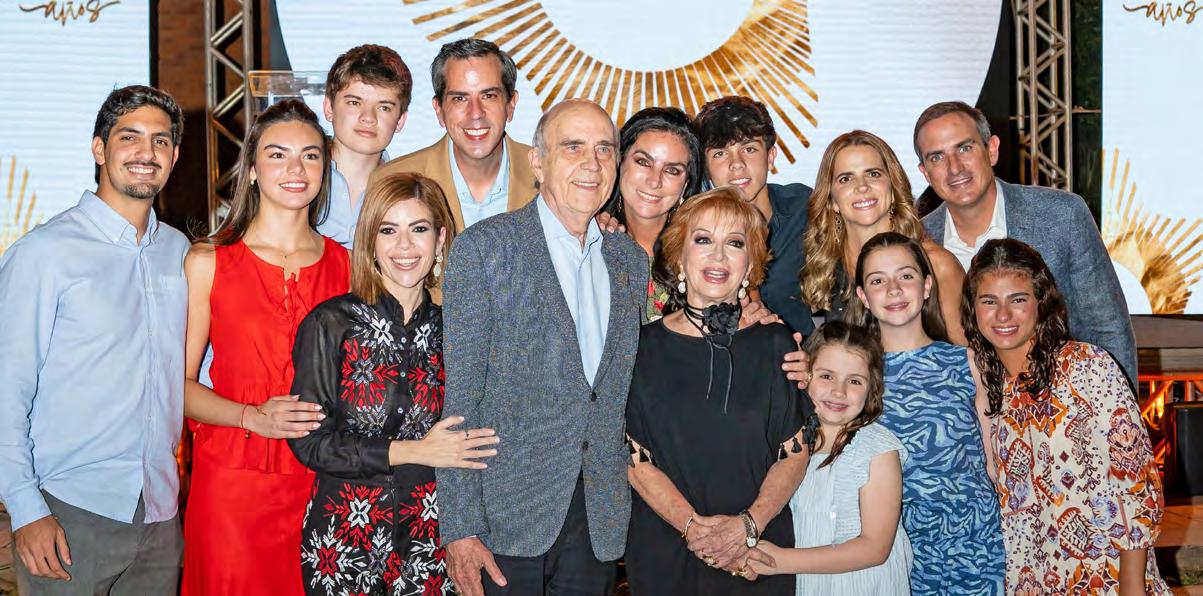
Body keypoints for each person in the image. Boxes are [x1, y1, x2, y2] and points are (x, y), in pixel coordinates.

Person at [437, 99, 648, 596]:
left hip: (596, 518)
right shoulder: (485, 249)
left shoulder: (628, 260)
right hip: (504, 519)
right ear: (538, 161)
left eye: (604, 149)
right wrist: (460, 527)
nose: (592, 163)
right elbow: (461, 400)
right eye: (573, 147)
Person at [0, 85, 188, 595]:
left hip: (160, 515)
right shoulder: (45, 253)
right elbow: (6, 390)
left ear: (174, 156)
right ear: (99, 149)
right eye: (130, 137)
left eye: (161, 141)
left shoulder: (179, 252)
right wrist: (26, 509)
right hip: (68, 512)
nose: (147, 152)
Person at [288, 172, 499, 594]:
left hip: (431, 538)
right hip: (342, 538)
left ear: (440, 239)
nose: (405, 246)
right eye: (388, 230)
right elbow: (310, 443)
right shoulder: (331, 323)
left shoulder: (456, 332)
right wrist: (414, 451)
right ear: (370, 241)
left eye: (418, 229)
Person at [181, 99, 350, 595]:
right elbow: (177, 387)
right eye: (278, 155)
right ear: (252, 169)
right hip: (233, 486)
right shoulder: (208, 260)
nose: (296, 169)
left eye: (310, 155)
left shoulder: (348, 266)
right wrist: (251, 416)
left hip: (322, 483)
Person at [623, 187, 813, 596]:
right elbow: (633, 460)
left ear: (750, 264)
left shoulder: (777, 342)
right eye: (703, 239)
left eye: (735, 243)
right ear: (679, 256)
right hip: (668, 552)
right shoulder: (639, 347)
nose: (718, 256)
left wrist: (747, 526)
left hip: (759, 553)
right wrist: (695, 529)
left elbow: (795, 453)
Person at [962, 238, 1168, 594]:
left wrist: (1132, 585)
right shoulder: (993, 390)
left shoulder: (1087, 367)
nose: (1003, 315)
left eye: (1018, 299)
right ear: (973, 308)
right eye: (989, 301)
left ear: (1041, 302)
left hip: (1106, 580)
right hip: (1032, 580)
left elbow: (1136, 483)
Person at [914, 100, 1137, 385]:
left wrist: (1120, 406)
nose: (954, 167)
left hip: (1063, 400)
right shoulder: (918, 243)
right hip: (963, 407)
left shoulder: (1062, 215)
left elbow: (1107, 327)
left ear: (991, 149)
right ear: (925, 172)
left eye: (965, 148)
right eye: (937, 157)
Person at [847, 232, 1004, 594]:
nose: (894, 289)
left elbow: (996, 466)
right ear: (863, 297)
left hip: (978, 551)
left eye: (906, 275)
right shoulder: (853, 378)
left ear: (927, 285)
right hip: (897, 557)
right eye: (877, 281)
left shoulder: (968, 362)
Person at [748, 321, 912, 594]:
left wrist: (779, 561)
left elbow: (875, 548)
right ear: (804, 375)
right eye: (826, 376)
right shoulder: (784, 449)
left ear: (872, 388)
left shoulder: (878, 449)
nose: (839, 391)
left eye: (855, 381)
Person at [802, 130, 965, 343]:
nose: (862, 186)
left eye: (873, 174)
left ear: (893, 186)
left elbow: (967, 356)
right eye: (846, 179)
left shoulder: (936, 265)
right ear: (832, 200)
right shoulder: (822, 268)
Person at [373, 38, 536, 233]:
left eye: (488, 96)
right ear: (439, 110)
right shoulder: (389, 180)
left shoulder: (551, 176)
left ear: (511, 105)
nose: (476, 113)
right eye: (460, 98)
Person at [693, 96, 814, 336]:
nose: (736, 164)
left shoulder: (804, 208)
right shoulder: (692, 227)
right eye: (720, 153)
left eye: (749, 149)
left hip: (805, 351)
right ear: (705, 167)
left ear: (770, 156)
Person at [599, 106, 704, 319]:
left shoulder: (704, 251)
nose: (654, 181)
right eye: (643, 162)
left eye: (672, 170)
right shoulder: (589, 239)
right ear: (619, 162)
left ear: (686, 184)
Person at [318, 44, 413, 248]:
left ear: (400, 121)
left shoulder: (408, 191)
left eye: (384, 107)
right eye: (354, 102)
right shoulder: (299, 177)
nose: (368, 117)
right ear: (328, 108)